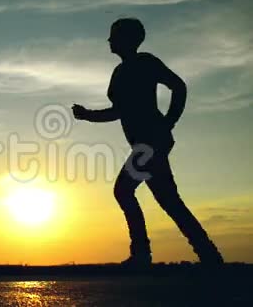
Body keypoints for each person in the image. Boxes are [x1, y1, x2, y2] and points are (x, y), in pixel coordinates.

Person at [72, 18, 223, 267]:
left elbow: (178, 86)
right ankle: (208, 254)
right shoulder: (119, 72)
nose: (109, 41)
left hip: (151, 142)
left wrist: (170, 120)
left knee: (124, 190)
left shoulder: (146, 62)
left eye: (114, 36)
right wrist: (88, 115)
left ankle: (143, 254)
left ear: (128, 39)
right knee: (169, 201)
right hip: (145, 143)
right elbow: (118, 111)